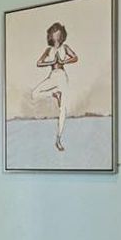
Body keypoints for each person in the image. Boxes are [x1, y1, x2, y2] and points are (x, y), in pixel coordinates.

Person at [31, 22, 78, 152]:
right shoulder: (48, 50)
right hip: (53, 76)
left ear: (61, 34)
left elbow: (75, 57)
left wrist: (63, 61)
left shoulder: (65, 47)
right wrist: (52, 62)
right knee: (34, 93)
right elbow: (38, 63)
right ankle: (54, 94)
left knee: (63, 109)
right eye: (54, 32)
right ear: (50, 35)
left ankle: (58, 139)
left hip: (62, 76)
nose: (56, 34)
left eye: (58, 32)